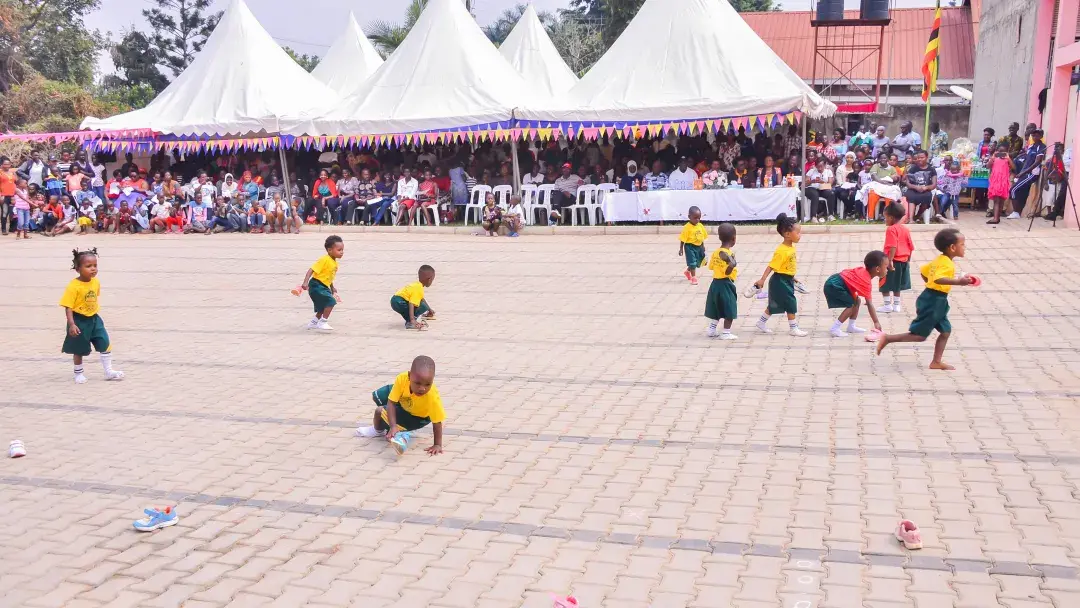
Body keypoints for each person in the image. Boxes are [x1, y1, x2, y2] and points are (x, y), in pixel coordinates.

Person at [877, 229, 974, 370]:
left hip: (936, 299)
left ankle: (936, 362)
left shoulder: (941, 259)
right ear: (953, 247)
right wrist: (958, 282)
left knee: (945, 331)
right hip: (933, 301)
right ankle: (888, 338)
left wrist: (930, 284)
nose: (965, 247)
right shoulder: (946, 263)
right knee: (919, 336)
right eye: (963, 244)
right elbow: (938, 278)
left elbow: (924, 271)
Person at [354, 355, 446, 456]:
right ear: (409, 376)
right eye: (418, 383)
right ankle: (394, 427)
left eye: (427, 384)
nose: (422, 388)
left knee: (379, 411)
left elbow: (437, 422)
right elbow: (391, 402)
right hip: (405, 403)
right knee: (378, 396)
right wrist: (393, 426)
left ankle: (383, 431)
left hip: (418, 417)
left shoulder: (432, 396)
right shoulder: (402, 379)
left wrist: (437, 444)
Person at [61, 248, 124, 384]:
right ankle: (78, 373)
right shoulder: (73, 286)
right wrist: (72, 324)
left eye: (95, 265)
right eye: (88, 266)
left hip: (94, 319)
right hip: (79, 320)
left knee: (105, 343)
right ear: (78, 269)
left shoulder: (95, 282)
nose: (93, 269)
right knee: (79, 349)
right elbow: (68, 306)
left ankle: (108, 371)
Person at [753, 214, 807, 337]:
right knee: (790, 302)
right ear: (787, 234)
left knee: (775, 304)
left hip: (786, 279)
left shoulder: (790, 248)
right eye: (797, 233)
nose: (800, 235)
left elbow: (787, 267)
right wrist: (762, 279)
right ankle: (793, 328)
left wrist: (793, 278)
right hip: (779, 281)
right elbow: (771, 266)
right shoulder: (782, 251)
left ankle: (761, 322)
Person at [823, 250, 887, 338]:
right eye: (886, 266)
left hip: (835, 282)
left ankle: (851, 326)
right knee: (851, 305)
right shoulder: (866, 281)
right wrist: (876, 322)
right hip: (834, 285)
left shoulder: (863, 271)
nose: (887, 270)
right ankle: (835, 328)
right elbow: (869, 304)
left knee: (857, 300)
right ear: (877, 269)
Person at [299, 235, 344, 332]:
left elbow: (329, 277)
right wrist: (305, 282)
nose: (342, 252)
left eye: (342, 250)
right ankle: (323, 322)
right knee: (330, 302)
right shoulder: (324, 259)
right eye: (339, 250)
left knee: (323, 306)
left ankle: (313, 322)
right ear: (329, 250)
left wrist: (332, 288)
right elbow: (311, 270)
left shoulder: (334, 263)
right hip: (316, 285)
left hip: (323, 286)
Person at [704, 223, 738, 340]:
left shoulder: (715, 253)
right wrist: (731, 266)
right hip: (726, 283)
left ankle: (711, 329)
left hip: (715, 283)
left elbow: (711, 267)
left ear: (719, 237)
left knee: (717, 307)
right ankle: (726, 333)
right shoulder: (729, 254)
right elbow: (727, 272)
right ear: (734, 239)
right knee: (730, 307)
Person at [879, 202, 914, 314]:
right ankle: (897, 305)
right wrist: (908, 260)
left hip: (893, 260)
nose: (885, 220)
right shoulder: (905, 229)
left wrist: (889, 261)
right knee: (897, 283)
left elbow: (893, 246)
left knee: (884, 282)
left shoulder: (891, 229)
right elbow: (911, 246)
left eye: (885, 218)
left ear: (891, 217)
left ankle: (887, 305)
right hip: (904, 260)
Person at [1009, 128, 1046, 220]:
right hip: (1025, 172)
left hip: (1032, 174)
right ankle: (1018, 212)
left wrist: (1023, 173)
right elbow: (1027, 159)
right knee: (1021, 192)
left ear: (1041, 136)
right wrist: (1021, 171)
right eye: (1033, 135)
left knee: (1013, 189)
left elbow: (1037, 162)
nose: (1035, 137)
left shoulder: (1041, 147)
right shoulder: (1031, 146)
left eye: (1037, 135)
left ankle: (1015, 212)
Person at [392, 265, 437, 330]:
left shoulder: (417, 285)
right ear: (429, 279)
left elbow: (421, 299)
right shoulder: (418, 288)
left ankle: (410, 320)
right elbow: (411, 303)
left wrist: (429, 310)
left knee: (423, 305)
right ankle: (410, 322)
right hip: (399, 301)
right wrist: (412, 320)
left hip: (396, 299)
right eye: (432, 280)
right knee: (423, 306)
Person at [903, 150, 938, 223]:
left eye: (922, 157)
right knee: (911, 197)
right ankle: (911, 219)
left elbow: (934, 184)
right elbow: (908, 183)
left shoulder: (931, 169)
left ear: (927, 157)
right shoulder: (913, 168)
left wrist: (926, 187)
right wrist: (916, 187)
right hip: (913, 189)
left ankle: (917, 216)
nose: (920, 159)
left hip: (925, 190)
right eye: (918, 158)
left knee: (927, 198)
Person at [678, 206, 708, 285]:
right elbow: (682, 239)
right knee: (692, 263)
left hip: (699, 246)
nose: (697, 220)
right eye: (695, 218)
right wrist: (681, 249)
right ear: (689, 217)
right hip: (690, 247)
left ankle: (688, 271)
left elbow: (702, 237)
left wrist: (703, 246)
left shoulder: (700, 226)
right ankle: (694, 278)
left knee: (697, 262)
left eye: (699, 218)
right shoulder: (687, 227)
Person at [986, 143, 1015, 225]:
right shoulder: (994, 159)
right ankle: (996, 218)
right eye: (1000, 151)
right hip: (995, 181)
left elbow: (1013, 167)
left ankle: (997, 218)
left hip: (1003, 182)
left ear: (1007, 152)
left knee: (1001, 201)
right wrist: (993, 157)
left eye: (1004, 152)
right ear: (997, 151)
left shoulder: (1007, 160)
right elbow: (988, 166)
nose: (1001, 153)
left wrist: (1008, 158)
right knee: (996, 201)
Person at [805, 158, 836, 222]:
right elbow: (805, 184)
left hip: (823, 188)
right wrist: (812, 181)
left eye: (821, 166)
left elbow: (830, 184)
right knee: (815, 195)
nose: (819, 168)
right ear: (815, 166)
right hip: (811, 188)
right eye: (818, 166)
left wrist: (822, 182)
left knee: (831, 194)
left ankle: (830, 215)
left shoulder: (828, 172)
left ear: (825, 165)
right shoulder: (812, 171)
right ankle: (813, 216)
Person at [0, 157, 16, 236]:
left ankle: (12, 228)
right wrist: (0, 195)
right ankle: (3, 229)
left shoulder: (12, 172)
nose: (7, 165)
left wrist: (15, 195)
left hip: (12, 195)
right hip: (3, 196)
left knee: (13, 212)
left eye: (8, 164)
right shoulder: (0, 173)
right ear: (2, 165)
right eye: (5, 164)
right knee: (4, 213)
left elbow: (14, 183)